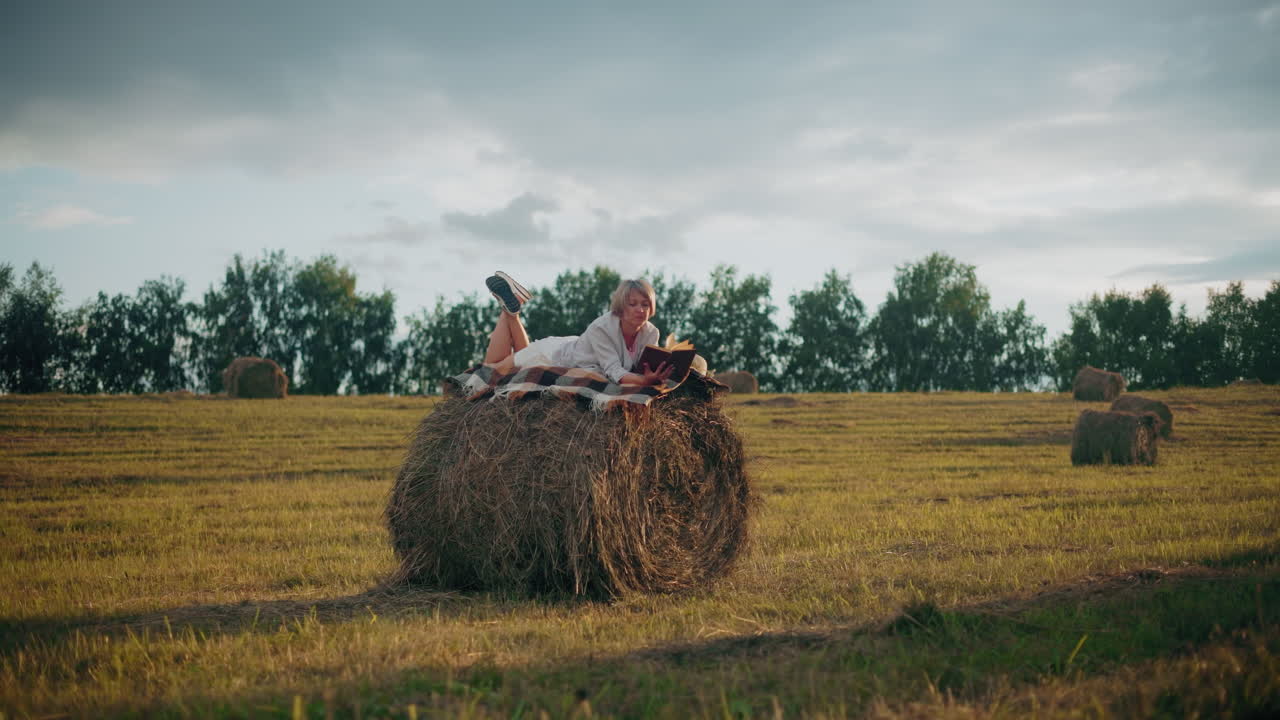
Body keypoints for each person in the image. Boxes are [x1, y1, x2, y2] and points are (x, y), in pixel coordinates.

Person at [481, 271, 674, 386]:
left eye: (645, 304)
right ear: (621, 307)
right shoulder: (602, 328)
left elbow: (642, 367)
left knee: (521, 353)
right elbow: (614, 371)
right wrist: (644, 381)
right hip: (551, 356)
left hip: (576, 347)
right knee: (490, 371)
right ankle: (509, 311)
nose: (640, 310)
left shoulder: (651, 333)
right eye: (633, 304)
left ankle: (511, 308)